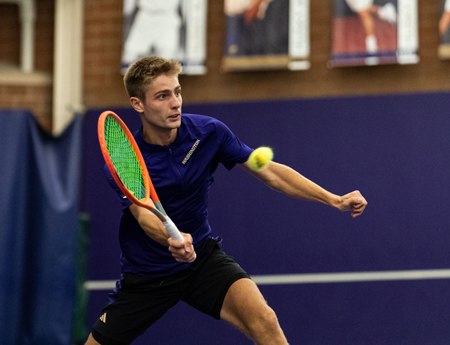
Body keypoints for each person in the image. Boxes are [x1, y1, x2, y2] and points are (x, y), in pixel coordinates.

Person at [85, 56, 368, 345]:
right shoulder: (124, 160)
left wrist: (333, 199)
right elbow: (144, 216)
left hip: (202, 261)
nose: (176, 103)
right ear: (138, 104)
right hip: (148, 276)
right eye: (162, 96)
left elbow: (270, 172)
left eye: (178, 91)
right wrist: (171, 239)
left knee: (265, 320)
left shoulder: (209, 132)